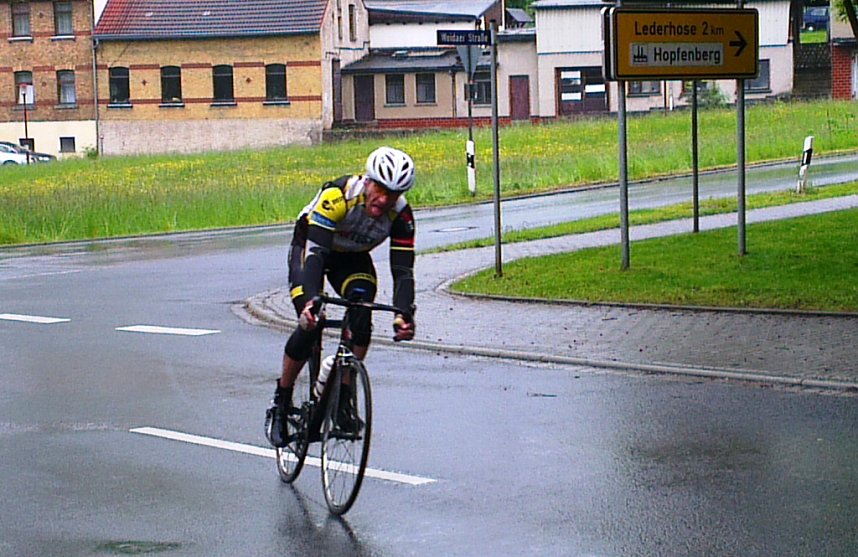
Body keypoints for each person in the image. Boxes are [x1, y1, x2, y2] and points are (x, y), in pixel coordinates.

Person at [267, 146, 417, 447]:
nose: (384, 199)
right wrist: (312, 300)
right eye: (380, 190)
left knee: (362, 310)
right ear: (368, 181)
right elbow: (315, 255)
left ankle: (343, 399)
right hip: (311, 247)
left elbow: (403, 271)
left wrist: (404, 314)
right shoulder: (338, 196)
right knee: (311, 322)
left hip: (351, 258)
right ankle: (281, 401)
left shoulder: (401, 215)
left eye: (392, 194)